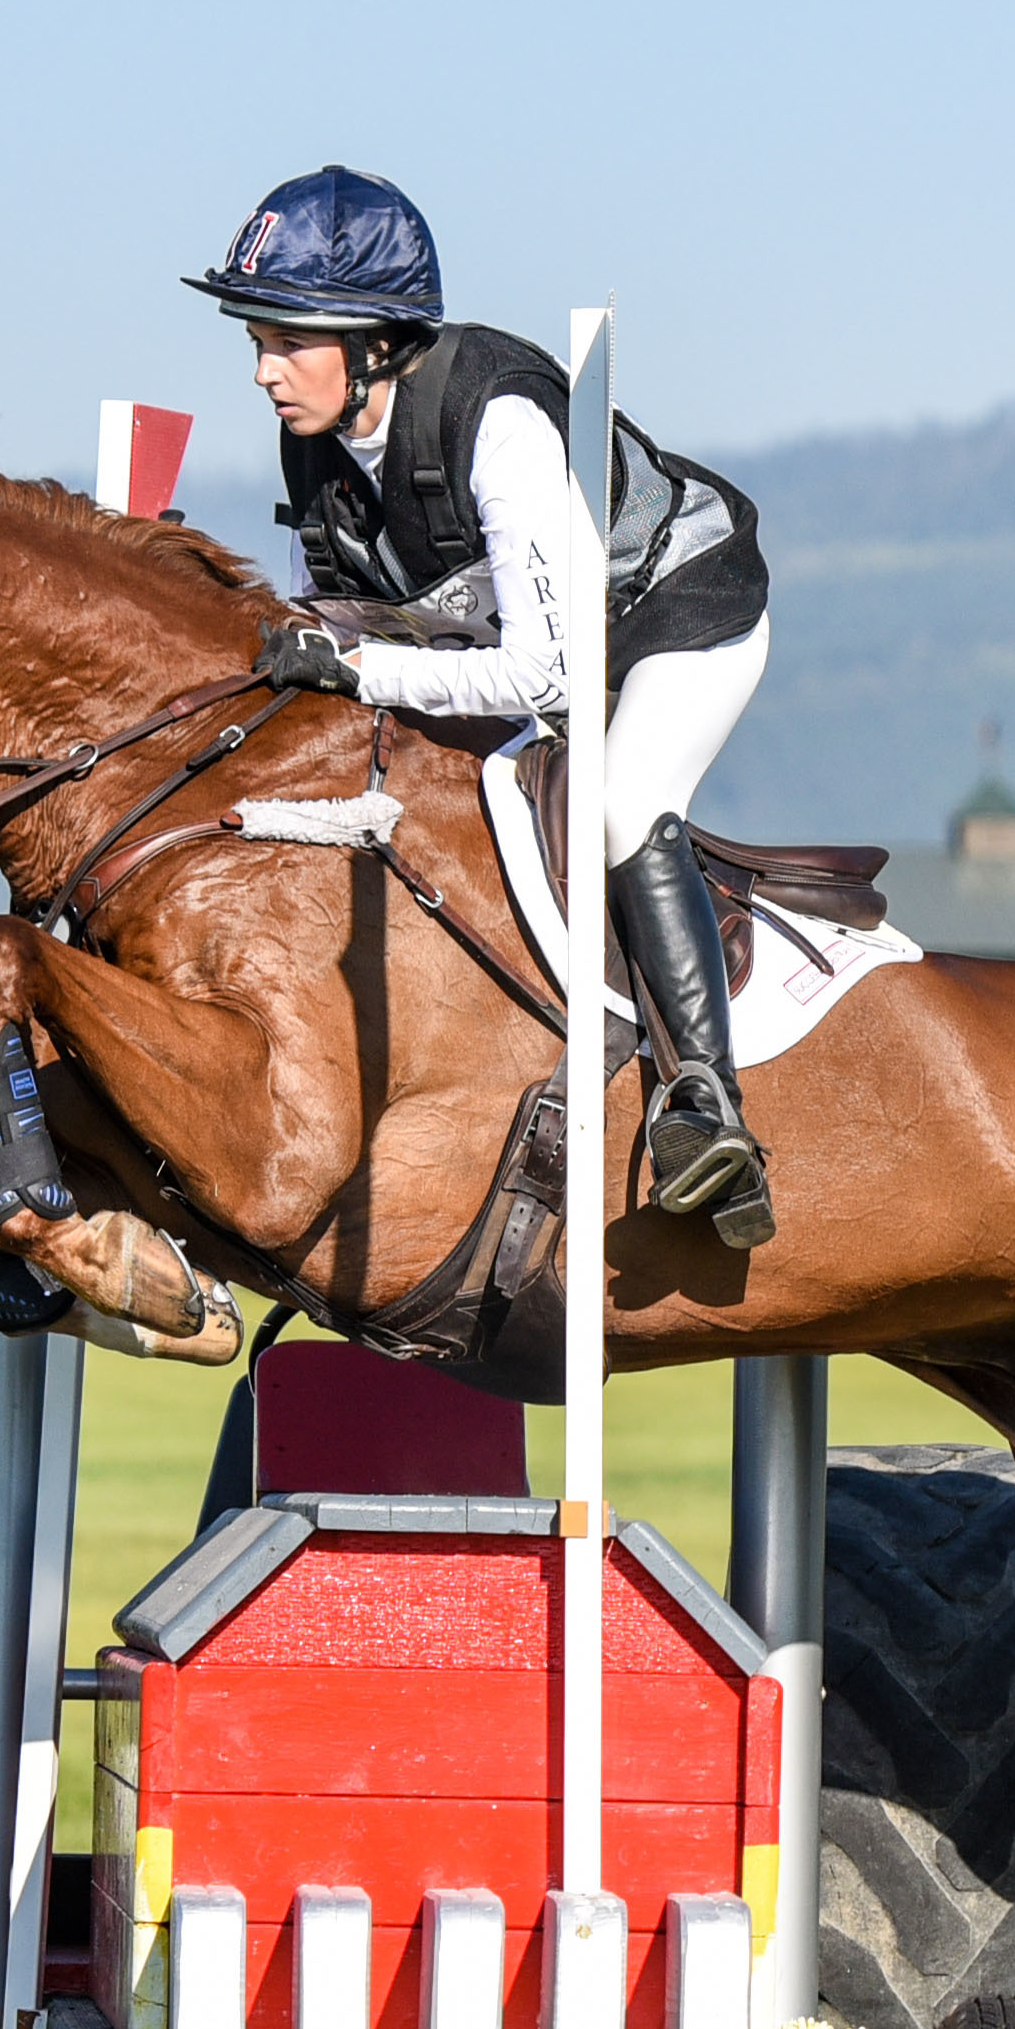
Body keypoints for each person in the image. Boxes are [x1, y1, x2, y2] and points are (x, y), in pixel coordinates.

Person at [187, 167, 781, 1247]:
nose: (264, 371)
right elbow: (340, 629)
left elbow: (543, 677)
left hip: (673, 618)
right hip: (519, 648)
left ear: (375, 341)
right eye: (258, 341)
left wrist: (358, 673)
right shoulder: (315, 443)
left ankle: (705, 1101)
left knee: (620, 802)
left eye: (288, 341)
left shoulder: (497, 417)